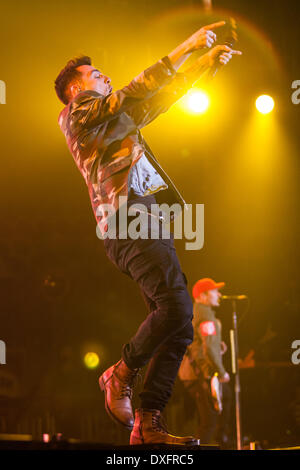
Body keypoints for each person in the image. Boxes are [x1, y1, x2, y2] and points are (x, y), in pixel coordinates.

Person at [55, 24, 241, 445]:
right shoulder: (77, 116)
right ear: (73, 89)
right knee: (176, 307)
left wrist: (203, 67)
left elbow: (156, 100)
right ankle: (119, 375)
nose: (103, 75)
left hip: (146, 218)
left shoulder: (113, 118)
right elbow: (134, 90)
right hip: (126, 221)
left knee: (178, 326)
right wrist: (188, 46)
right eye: (94, 72)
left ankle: (148, 424)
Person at [178, 278, 231, 444]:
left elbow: (203, 343)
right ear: (203, 296)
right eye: (215, 291)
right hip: (199, 374)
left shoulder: (201, 312)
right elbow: (207, 348)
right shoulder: (205, 315)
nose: (219, 295)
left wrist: (217, 346)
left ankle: (220, 438)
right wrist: (221, 372)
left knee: (223, 401)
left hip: (199, 372)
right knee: (209, 421)